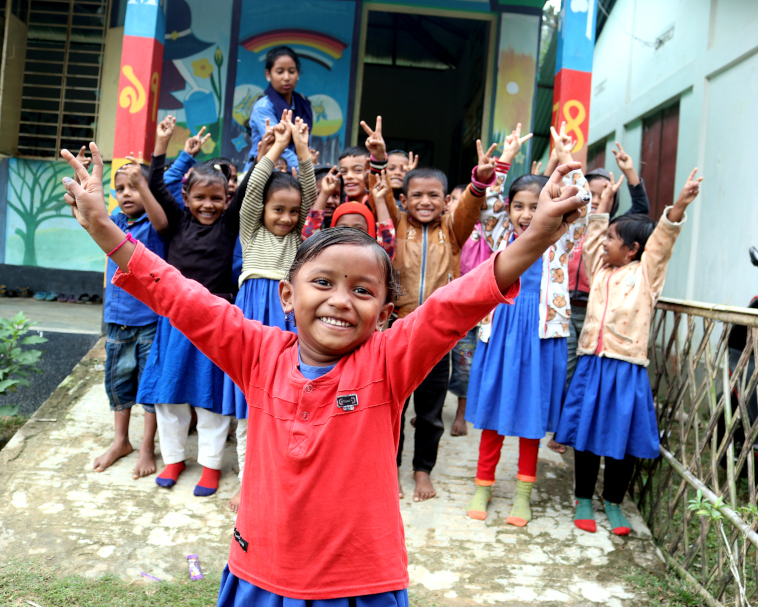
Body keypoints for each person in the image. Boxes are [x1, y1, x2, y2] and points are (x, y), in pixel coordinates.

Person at [60, 141, 588, 605]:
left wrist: (538, 234)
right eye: (323, 283)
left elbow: (455, 304)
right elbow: (179, 296)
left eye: (363, 290)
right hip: (260, 573)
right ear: (288, 295)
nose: (341, 300)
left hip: (360, 583)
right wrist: (105, 229)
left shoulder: (388, 361)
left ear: (385, 312)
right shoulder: (255, 350)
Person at [556, 168, 702, 536]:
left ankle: (614, 502)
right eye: (605, 236)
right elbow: (590, 237)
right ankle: (584, 500)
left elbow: (663, 239)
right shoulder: (599, 270)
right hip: (592, 363)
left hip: (626, 369)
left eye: (612, 238)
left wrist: (680, 203)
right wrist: (602, 206)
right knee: (586, 438)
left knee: (622, 440)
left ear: (633, 249)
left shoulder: (646, 274)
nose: (604, 242)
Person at [362, 118, 499, 502]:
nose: (425, 201)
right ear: (404, 200)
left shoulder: (452, 232)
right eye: (417, 195)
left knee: (430, 412)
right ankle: (388, 466)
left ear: (445, 201)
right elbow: (382, 194)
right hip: (396, 332)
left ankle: (422, 471)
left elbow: (471, 208)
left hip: (437, 336)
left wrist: (478, 182)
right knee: (390, 406)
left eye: (434, 195)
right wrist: (378, 160)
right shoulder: (398, 225)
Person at [464, 124, 590, 526]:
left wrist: (568, 166)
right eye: (518, 205)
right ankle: (483, 486)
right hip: (499, 331)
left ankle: (523, 494)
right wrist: (502, 164)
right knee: (493, 412)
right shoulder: (501, 234)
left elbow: (583, 206)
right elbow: (485, 205)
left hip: (541, 337)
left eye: (536, 206)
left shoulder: (561, 238)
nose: (525, 214)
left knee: (532, 415)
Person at [136, 116, 241, 497]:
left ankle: (211, 465)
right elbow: (155, 187)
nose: (209, 205)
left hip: (215, 320)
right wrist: (161, 146)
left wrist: (269, 151)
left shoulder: (229, 227)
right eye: (200, 198)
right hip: (175, 321)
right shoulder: (175, 224)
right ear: (186, 199)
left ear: (228, 200)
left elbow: (249, 191)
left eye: (217, 198)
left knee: (211, 398)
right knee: (169, 395)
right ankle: (175, 458)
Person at [221, 110, 315, 512]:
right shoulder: (250, 227)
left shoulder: (297, 236)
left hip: (287, 319)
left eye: (293, 212)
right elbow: (256, 185)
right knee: (248, 410)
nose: (286, 217)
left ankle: (282, 483)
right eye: (278, 209)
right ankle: (247, 485)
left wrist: (301, 147)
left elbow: (307, 191)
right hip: (251, 318)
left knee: (283, 406)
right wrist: (276, 144)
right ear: (261, 209)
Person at [552, 139, 653, 454]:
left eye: (601, 195)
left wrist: (631, 175)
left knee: (588, 375)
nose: (594, 200)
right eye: (590, 193)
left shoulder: (614, 228)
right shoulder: (570, 219)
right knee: (567, 370)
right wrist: (561, 158)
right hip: (567, 307)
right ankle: (564, 429)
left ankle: (579, 432)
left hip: (600, 315)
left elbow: (643, 210)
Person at [94, 161, 163, 479]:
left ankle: (147, 445)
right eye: (120, 189)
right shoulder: (116, 222)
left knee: (148, 387)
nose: (126, 194)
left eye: (133, 187)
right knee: (118, 383)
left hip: (149, 320)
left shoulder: (155, 225)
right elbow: (91, 220)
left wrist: (144, 186)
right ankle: (121, 441)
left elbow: (161, 220)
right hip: (117, 321)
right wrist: (78, 195)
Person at [445, 182, 485, 437]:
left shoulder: (484, 232)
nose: (463, 205)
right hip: (445, 306)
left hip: (471, 311)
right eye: (458, 199)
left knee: (464, 365)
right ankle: (431, 411)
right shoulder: (442, 228)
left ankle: (462, 413)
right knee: (432, 365)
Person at [245, 46, 312, 173]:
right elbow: (279, 144)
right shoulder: (263, 107)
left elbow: (305, 142)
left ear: (298, 73)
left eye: (291, 71)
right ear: (268, 74)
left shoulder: (303, 103)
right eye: (280, 72)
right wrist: (306, 168)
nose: (286, 77)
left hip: (293, 172)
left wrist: (310, 159)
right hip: (263, 172)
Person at [303, 166, 396, 258]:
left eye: (358, 229)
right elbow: (309, 237)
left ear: (371, 232)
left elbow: (388, 243)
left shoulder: (375, 258)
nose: (350, 234)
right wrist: (324, 194)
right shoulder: (326, 255)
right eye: (343, 228)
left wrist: (379, 200)